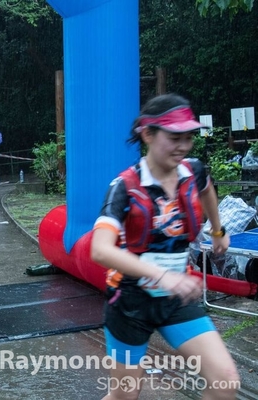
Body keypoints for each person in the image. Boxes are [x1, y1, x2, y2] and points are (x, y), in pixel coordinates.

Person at [90, 93, 239, 399]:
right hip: (130, 302)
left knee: (225, 382)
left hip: (176, 297)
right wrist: (161, 275)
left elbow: (207, 189)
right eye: (174, 137)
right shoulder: (124, 187)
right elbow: (100, 250)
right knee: (124, 395)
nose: (183, 146)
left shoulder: (193, 170)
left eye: (188, 137)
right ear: (148, 134)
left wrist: (218, 230)